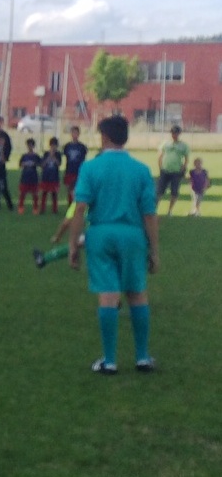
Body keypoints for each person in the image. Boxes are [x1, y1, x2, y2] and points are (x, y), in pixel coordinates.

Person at [69, 115, 158, 375]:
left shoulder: (90, 167)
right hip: (132, 235)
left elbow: (80, 208)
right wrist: (154, 250)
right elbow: (149, 214)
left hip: (101, 234)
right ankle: (142, 357)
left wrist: (73, 245)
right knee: (136, 292)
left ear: (105, 137)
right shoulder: (141, 170)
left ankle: (109, 361)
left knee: (108, 295)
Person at [33, 200, 81, 269]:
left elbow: (66, 222)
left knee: (77, 242)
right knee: (79, 242)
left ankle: (43, 259)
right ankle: (44, 259)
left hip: (94, 231)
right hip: (96, 230)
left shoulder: (80, 199)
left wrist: (58, 236)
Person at [156, 124, 190, 216]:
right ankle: (154, 210)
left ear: (179, 134)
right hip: (165, 170)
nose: (174, 135)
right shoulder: (165, 143)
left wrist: (183, 168)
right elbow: (160, 155)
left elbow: (186, 158)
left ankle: (170, 211)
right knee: (159, 191)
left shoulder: (183, 146)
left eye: (176, 133)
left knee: (174, 192)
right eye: (173, 133)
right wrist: (160, 166)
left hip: (176, 171)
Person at [62, 125, 88, 205]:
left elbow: (83, 159)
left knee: (77, 189)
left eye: (76, 133)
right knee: (69, 189)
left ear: (79, 134)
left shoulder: (82, 147)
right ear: (71, 134)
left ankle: (77, 205)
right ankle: (70, 205)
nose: (75, 134)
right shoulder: (67, 146)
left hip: (78, 171)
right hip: (69, 170)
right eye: (73, 132)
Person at [16, 138, 41, 214]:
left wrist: (34, 164)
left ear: (33, 146)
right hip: (25, 177)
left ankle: (35, 208)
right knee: (22, 193)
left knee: (35, 194)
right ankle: (21, 207)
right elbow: (20, 164)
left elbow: (40, 164)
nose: (30, 147)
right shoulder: (24, 156)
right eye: (28, 145)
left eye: (31, 145)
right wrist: (24, 164)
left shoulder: (36, 156)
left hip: (33, 177)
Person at [40, 137, 62, 215]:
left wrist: (54, 157)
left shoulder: (58, 154)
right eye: (52, 145)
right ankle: (42, 208)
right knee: (44, 193)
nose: (53, 147)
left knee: (54, 194)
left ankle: (55, 209)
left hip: (54, 177)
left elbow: (59, 164)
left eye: (55, 146)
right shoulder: (46, 154)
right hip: (46, 176)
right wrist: (49, 157)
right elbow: (42, 165)